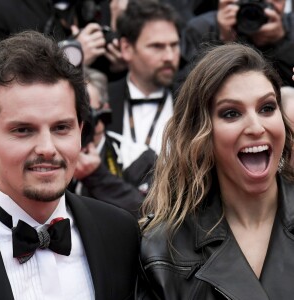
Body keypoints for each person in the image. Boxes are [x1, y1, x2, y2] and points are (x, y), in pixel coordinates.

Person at [137, 43, 294, 299]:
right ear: (201, 134)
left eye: (267, 108)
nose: (256, 127)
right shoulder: (162, 249)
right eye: (231, 113)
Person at [0, 30, 139, 299]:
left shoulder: (120, 234)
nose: (47, 149)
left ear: (80, 130)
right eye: (23, 130)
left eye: (61, 128)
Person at [71, 68, 152, 218]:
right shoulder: (47, 154)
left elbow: (150, 215)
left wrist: (97, 176)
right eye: (70, 117)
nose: (79, 125)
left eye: (85, 115)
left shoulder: (137, 156)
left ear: (104, 112)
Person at [107, 0, 181, 155]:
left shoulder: (190, 102)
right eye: (157, 46)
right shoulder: (103, 100)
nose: (169, 56)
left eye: (174, 45)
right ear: (126, 48)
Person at [182, 0, 294, 87]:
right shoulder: (203, 27)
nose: (260, 9)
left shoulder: (291, 26)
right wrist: (224, 40)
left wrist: (281, 41)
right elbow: (187, 88)